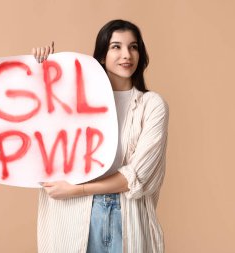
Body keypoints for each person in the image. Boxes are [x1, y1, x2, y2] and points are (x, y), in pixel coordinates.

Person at [32, 19, 169, 253]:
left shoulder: (152, 105)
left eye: (133, 46)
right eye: (116, 46)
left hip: (125, 217)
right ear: (102, 56)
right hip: (74, 216)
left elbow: (136, 176)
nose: (126, 54)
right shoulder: (71, 100)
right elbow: (38, 133)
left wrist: (77, 189)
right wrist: (40, 71)